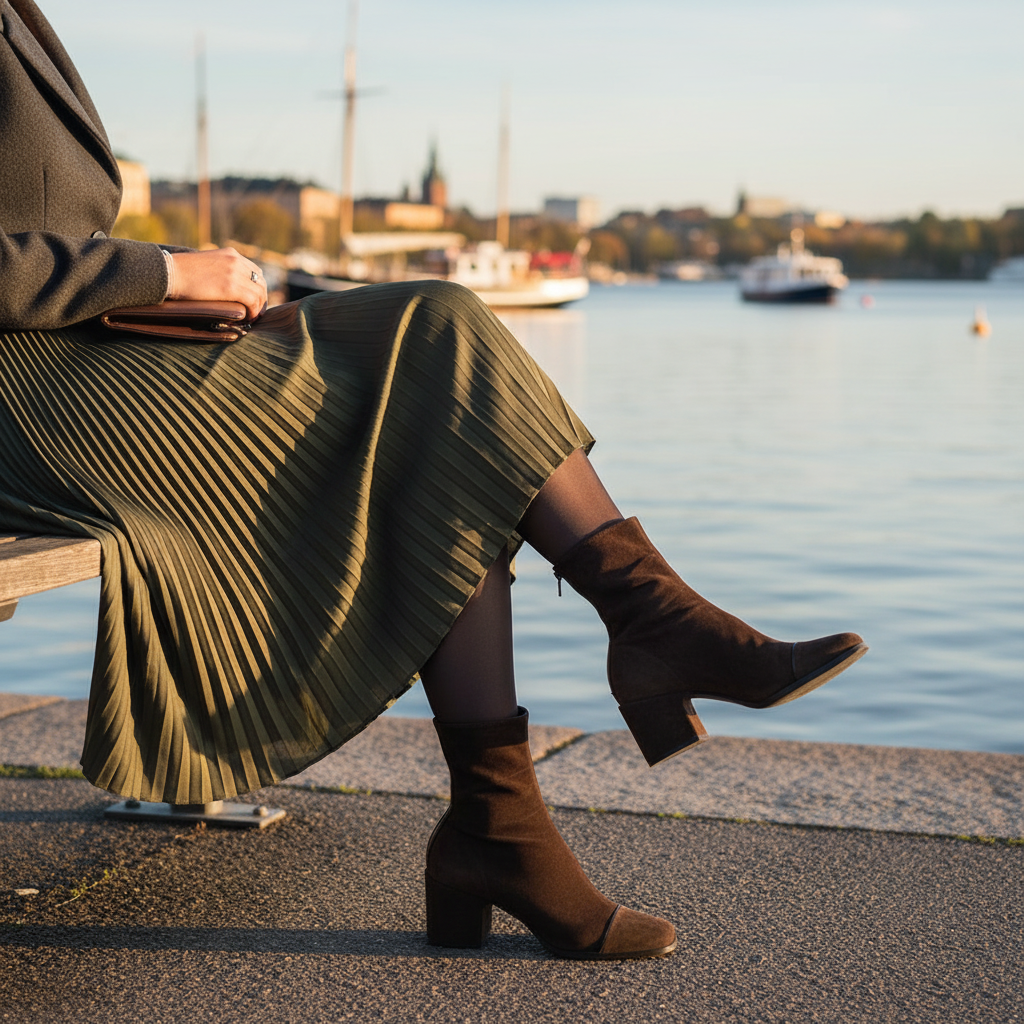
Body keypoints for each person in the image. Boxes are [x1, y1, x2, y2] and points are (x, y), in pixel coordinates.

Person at [0, 0, 867, 961]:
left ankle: (546, 763)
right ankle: (580, 726)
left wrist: (169, 293)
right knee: (433, 393)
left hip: (94, 343)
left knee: (446, 325)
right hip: (29, 386)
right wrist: (160, 272)